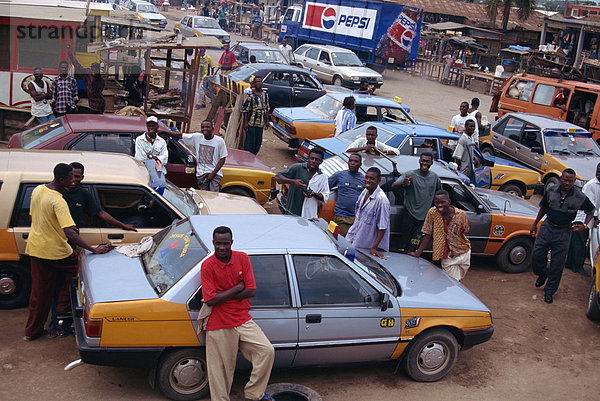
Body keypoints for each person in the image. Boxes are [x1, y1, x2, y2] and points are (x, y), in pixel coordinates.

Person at [24, 163, 111, 341]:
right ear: (62, 179)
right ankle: (63, 314)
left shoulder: (38, 190)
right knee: (76, 278)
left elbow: (34, 216)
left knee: (39, 294)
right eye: (71, 178)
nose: (74, 181)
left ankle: (32, 332)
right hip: (58, 252)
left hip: (35, 248)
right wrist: (93, 249)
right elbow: (70, 232)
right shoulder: (59, 201)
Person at [201, 226, 274, 401]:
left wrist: (222, 294)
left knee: (266, 351)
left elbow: (251, 291)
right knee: (221, 371)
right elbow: (210, 300)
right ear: (213, 243)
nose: (222, 247)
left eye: (226, 243)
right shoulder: (207, 266)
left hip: (242, 319)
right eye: (218, 243)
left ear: (231, 243)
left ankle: (254, 394)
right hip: (218, 323)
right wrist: (238, 287)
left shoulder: (242, 258)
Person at [531, 169, 595, 304]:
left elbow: (591, 210)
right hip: (547, 227)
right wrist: (535, 223)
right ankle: (543, 273)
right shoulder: (551, 190)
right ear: (561, 178)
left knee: (557, 263)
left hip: (564, 232)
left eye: (570, 181)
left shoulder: (579, 196)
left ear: (574, 182)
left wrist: (584, 225)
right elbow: (543, 207)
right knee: (536, 255)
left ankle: (550, 291)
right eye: (565, 180)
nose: (567, 183)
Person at [409, 190, 471, 281]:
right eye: (437, 202)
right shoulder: (432, 213)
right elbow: (427, 233)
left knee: (458, 281)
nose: (439, 205)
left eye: (443, 202)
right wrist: (418, 253)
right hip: (448, 256)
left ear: (449, 202)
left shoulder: (461, 214)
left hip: (464, 251)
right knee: (452, 282)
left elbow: (465, 230)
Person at [391, 151, 442, 252]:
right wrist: (403, 183)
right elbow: (393, 186)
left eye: (427, 161)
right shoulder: (410, 174)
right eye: (423, 161)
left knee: (415, 243)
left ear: (431, 163)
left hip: (424, 217)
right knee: (405, 242)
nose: (425, 163)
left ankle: (411, 258)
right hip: (409, 214)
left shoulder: (435, 177)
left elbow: (439, 194)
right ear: (419, 161)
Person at [167, 119, 227, 191]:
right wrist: (165, 132)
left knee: (213, 195)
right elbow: (181, 135)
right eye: (203, 127)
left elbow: (222, 159)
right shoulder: (197, 137)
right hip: (201, 174)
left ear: (212, 128)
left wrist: (212, 174)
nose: (205, 129)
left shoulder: (219, 141)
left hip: (215, 174)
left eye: (207, 127)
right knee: (204, 196)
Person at [346, 167, 390, 258]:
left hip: (366, 247)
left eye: (372, 178)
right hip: (354, 239)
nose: (368, 180)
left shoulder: (382, 200)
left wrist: (374, 248)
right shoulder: (365, 191)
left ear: (379, 180)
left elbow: (382, 228)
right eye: (366, 177)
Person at [566, 163, 600, 275]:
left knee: (576, 242)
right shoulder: (590, 185)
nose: (598, 174)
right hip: (583, 218)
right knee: (579, 243)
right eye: (598, 171)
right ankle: (577, 266)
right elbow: (590, 205)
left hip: (589, 218)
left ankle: (571, 263)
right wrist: (596, 218)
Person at [275, 148, 327, 217]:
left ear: (321, 161)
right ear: (308, 158)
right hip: (292, 212)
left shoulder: (322, 176)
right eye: (312, 158)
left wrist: (313, 194)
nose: (313, 161)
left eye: (317, 159)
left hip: (309, 216)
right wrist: (293, 182)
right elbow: (277, 177)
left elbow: (325, 196)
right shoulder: (298, 168)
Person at [327, 153, 364, 236]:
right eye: (350, 161)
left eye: (355, 161)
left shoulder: (364, 179)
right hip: (341, 217)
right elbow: (325, 187)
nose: (352, 163)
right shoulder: (340, 175)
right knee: (340, 243)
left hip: (357, 219)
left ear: (360, 164)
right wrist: (319, 199)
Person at [134, 116, 168, 193]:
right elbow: (140, 158)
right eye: (149, 125)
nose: (151, 127)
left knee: (159, 192)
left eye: (153, 125)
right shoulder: (140, 140)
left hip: (159, 174)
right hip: (145, 173)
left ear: (157, 127)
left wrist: (151, 156)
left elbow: (165, 159)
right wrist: (156, 158)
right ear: (147, 126)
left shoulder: (162, 142)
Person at [69, 49, 105, 114]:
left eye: (96, 70)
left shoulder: (101, 80)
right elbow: (77, 65)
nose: (94, 71)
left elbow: (95, 93)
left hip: (99, 105)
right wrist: (70, 54)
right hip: (91, 105)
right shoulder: (87, 74)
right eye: (93, 69)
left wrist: (93, 81)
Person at [242, 76, 269, 155]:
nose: (258, 83)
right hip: (251, 123)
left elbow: (266, 109)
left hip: (261, 123)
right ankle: (247, 156)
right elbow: (245, 110)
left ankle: (254, 156)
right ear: (253, 83)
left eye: (259, 81)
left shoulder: (265, 95)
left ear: (262, 83)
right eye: (256, 82)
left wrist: (267, 121)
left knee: (258, 141)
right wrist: (245, 123)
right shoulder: (250, 95)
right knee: (250, 141)